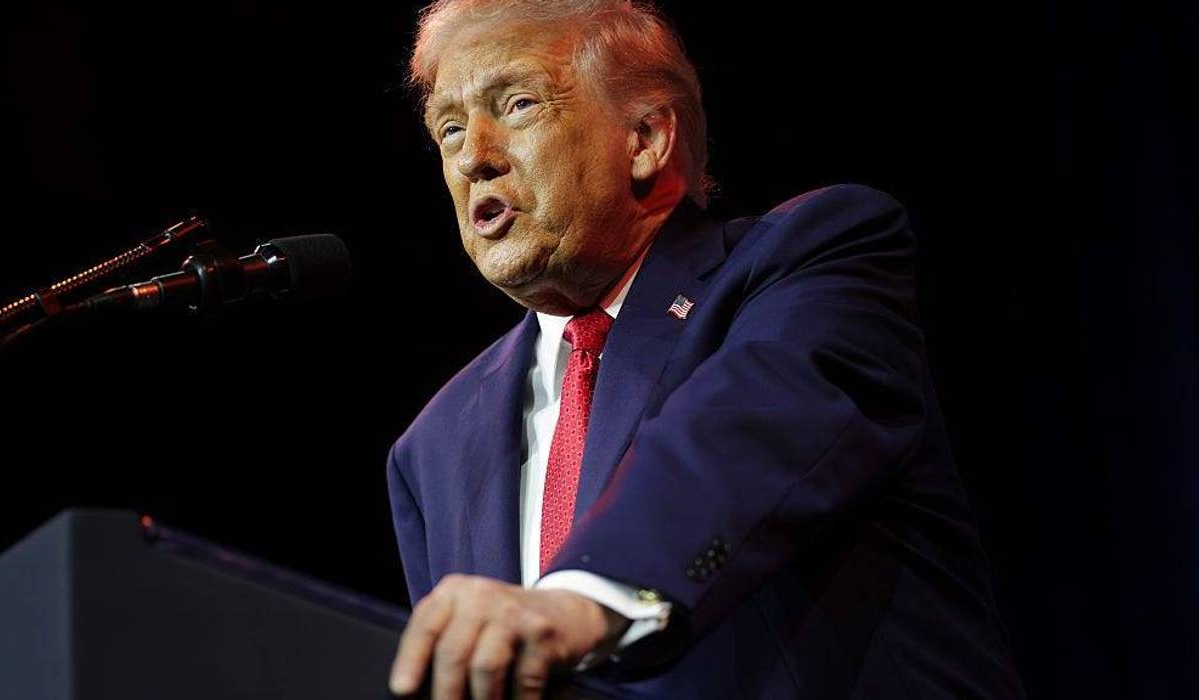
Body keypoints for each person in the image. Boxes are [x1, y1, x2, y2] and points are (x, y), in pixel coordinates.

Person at [386, 1, 1025, 698]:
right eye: (448, 129)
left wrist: (581, 599)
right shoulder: (434, 446)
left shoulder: (810, 257)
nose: (473, 155)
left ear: (646, 138)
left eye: (515, 104)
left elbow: (745, 432)